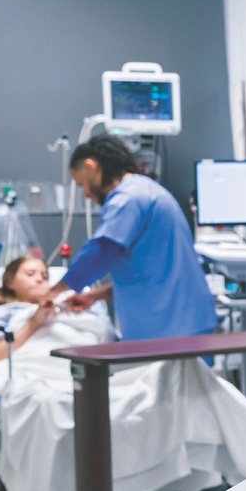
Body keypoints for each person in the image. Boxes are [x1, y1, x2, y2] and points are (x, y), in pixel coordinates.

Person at [45, 135, 217, 341]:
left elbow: (99, 253)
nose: (86, 195)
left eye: (82, 185)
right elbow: (147, 273)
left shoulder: (128, 199)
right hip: (182, 320)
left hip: (169, 328)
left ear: (91, 167)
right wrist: (96, 295)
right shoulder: (145, 190)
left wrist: (53, 293)